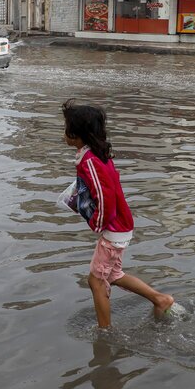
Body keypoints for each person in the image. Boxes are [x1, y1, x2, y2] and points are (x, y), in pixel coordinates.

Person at [62, 99, 175, 329]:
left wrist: (96, 222)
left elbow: (106, 196)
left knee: (96, 280)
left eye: (66, 128)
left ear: (76, 134)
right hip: (120, 224)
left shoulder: (90, 160)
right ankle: (160, 299)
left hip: (113, 227)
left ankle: (105, 332)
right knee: (113, 274)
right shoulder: (94, 155)